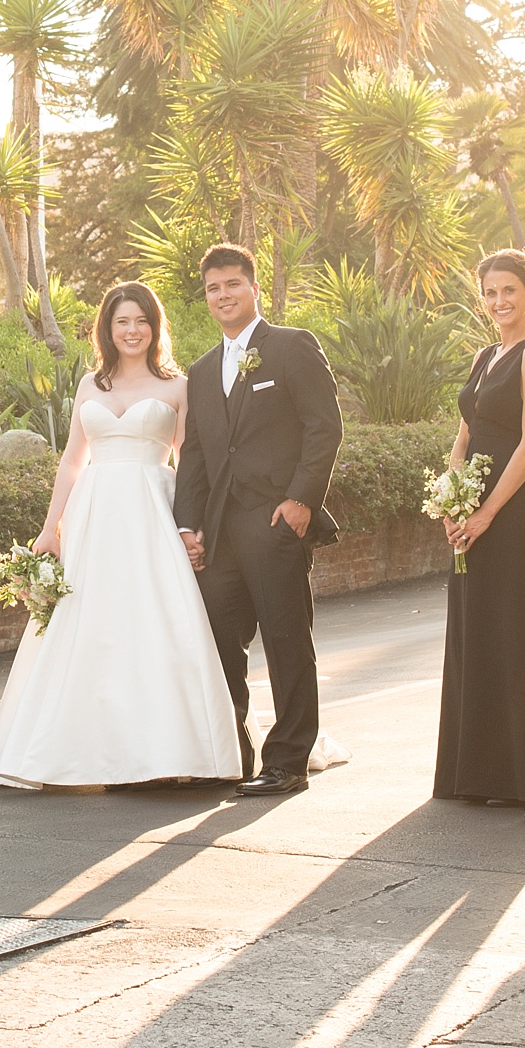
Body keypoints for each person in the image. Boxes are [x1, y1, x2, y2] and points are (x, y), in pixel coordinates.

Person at [0, 282, 240, 790]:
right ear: (108, 327)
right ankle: (82, 751)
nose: (132, 330)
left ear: (154, 326)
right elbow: (73, 459)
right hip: (93, 515)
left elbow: (190, 460)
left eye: (141, 320)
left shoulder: (177, 386)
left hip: (152, 513)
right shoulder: (88, 385)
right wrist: (50, 528)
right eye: (122, 321)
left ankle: (172, 751)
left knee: (156, 623)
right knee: (90, 627)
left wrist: (193, 525)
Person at [173, 242, 344, 796]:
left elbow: (325, 427)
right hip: (219, 532)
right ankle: (233, 751)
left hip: (274, 520)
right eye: (213, 289)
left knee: (287, 638)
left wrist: (301, 501)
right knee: (220, 641)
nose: (223, 295)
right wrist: (188, 525)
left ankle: (289, 760)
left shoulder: (292, 346)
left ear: (254, 287)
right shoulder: (199, 371)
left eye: (232, 284)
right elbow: (195, 455)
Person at [432, 251, 525, 808]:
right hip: (471, 510)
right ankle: (475, 773)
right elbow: (464, 437)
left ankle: (518, 776)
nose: (499, 302)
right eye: (489, 292)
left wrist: (487, 513)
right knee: (476, 632)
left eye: (509, 290)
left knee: (513, 635)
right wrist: (450, 498)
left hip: (514, 515)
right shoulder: (487, 355)